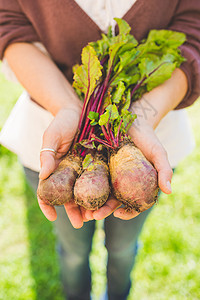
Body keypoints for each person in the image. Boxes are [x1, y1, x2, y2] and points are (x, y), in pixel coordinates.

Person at [0, 1, 199, 299]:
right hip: (55, 145)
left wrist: (141, 116)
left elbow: (193, 30)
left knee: (122, 249)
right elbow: (9, 25)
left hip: (150, 138)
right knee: (73, 252)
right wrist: (67, 107)